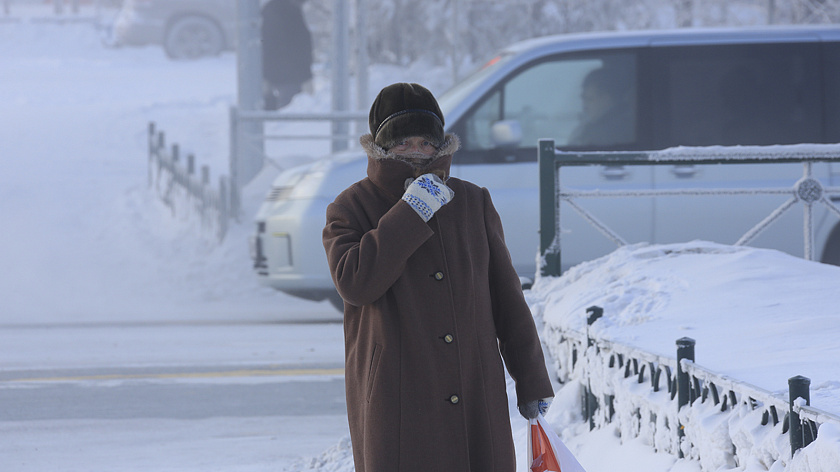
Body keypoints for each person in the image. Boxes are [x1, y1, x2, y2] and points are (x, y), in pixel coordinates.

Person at [322, 83, 554, 471]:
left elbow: (506, 297)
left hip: (474, 389)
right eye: (402, 142)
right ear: (380, 147)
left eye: (426, 142)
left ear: (441, 145)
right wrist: (412, 210)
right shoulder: (351, 206)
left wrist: (531, 378)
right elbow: (356, 283)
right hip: (396, 395)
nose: (416, 151)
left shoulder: (472, 201)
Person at [260, 0, 312, 110]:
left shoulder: (271, 9)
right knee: (287, 110)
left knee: (272, 105)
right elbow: (299, 44)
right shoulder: (288, 12)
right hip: (289, 72)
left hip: (274, 69)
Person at [567, 66, 634, 147]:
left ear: (606, 99)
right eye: (583, 99)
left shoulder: (607, 133)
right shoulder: (592, 126)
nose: (584, 106)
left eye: (589, 99)